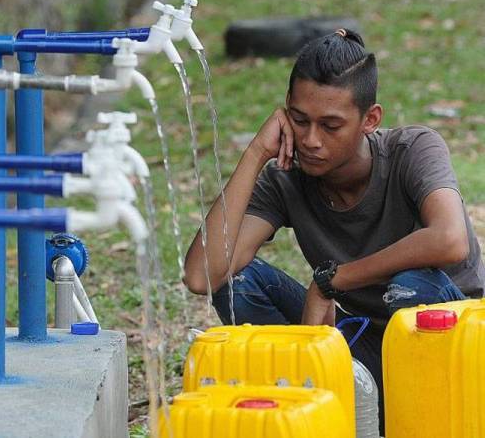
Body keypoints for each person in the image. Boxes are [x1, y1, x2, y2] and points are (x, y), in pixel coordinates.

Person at [182, 28, 485, 434]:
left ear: (369, 120)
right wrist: (256, 154)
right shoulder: (285, 180)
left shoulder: (413, 150)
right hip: (359, 343)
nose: (311, 140)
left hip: (453, 348)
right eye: (299, 120)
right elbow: (203, 275)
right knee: (238, 282)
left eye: (330, 126)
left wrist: (332, 281)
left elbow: (449, 239)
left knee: (414, 285)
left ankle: (417, 416)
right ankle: (341, 401)